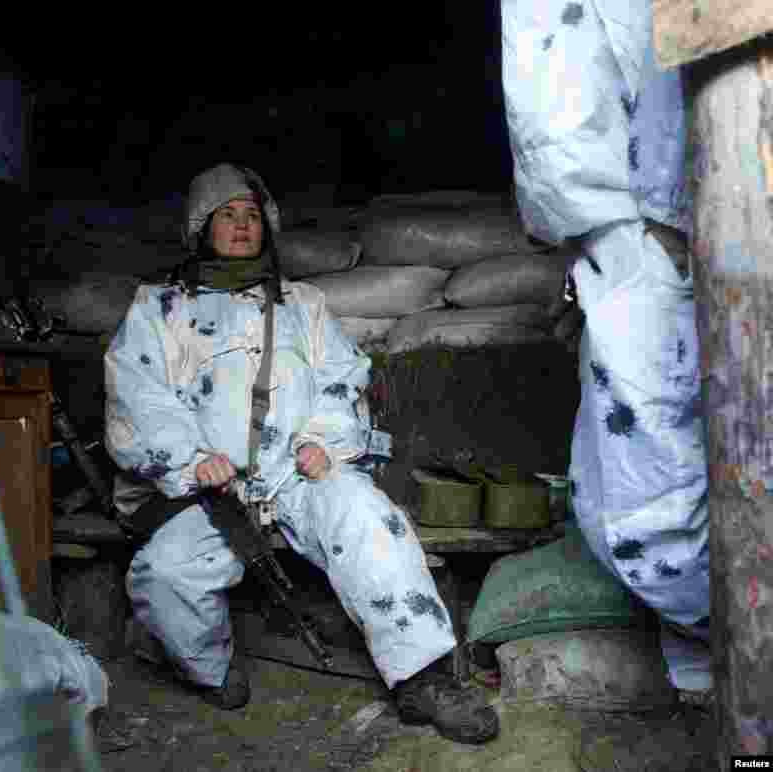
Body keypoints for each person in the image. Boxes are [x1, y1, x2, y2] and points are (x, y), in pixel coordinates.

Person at [103, 162, 499, 745]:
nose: (241, 227)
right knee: (166, 574)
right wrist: (191, 459)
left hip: (295, 471)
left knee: (370, 522)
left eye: (252, 216)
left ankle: (424, 677)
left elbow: (342, 375)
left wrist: (323, 437)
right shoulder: (157, 308)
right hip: (211, 484)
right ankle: (203, 666)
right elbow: (139, 392)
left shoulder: (302, 303)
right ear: (200, 227)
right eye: (227, 216)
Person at [502, 0, 711, 699]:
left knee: (664, 481)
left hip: (671, 213)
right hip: (624, 230)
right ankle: (712, 669)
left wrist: (662, 217)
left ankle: (724, 659)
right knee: (637, 485)